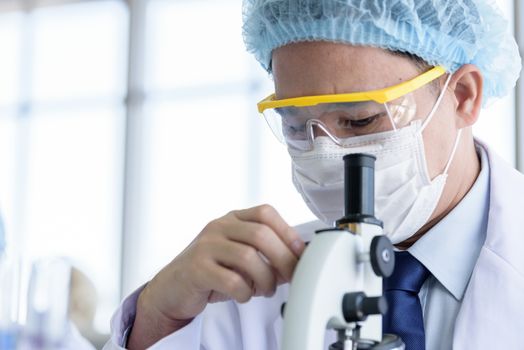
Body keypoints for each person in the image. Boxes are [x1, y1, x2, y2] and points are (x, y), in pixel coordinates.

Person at [103, 1, 524, 349]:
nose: (326, 155)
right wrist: (159, 316)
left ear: (463, 96)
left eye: (360, 121)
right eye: (296, 126)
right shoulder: (249, 293)